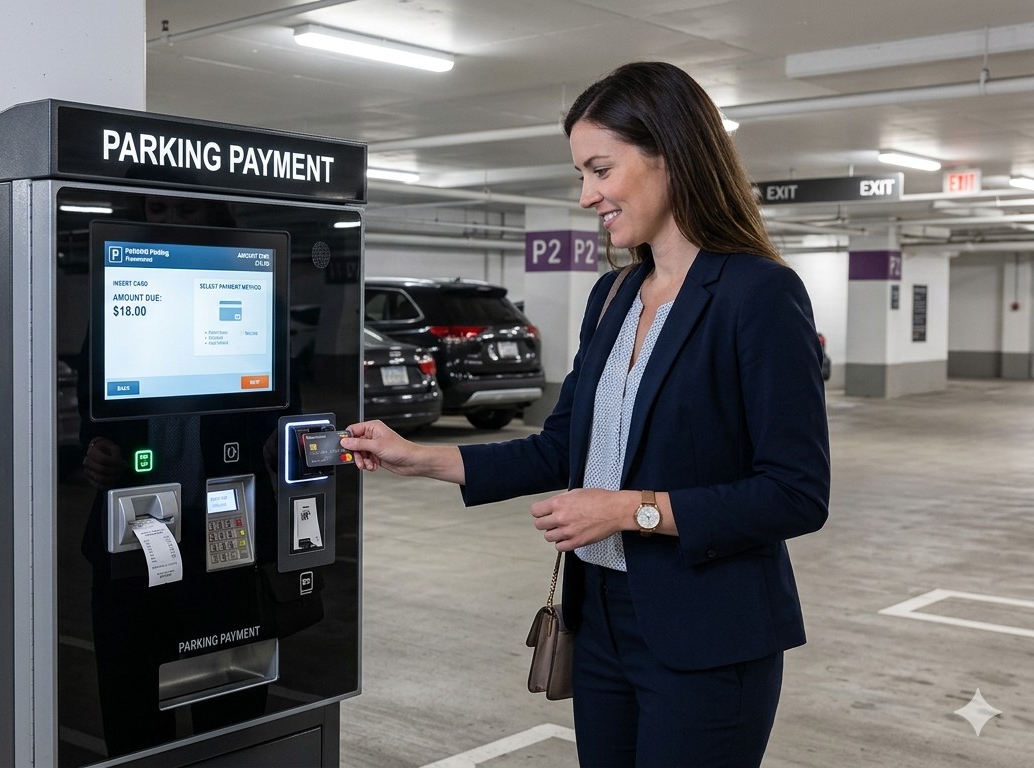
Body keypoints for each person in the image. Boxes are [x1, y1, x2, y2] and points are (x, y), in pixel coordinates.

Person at [341, 61, 830, 768]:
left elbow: (795, 493)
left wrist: (631, 511)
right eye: (581, 174)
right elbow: (562, 445)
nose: (585, 195)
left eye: (601, 170)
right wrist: (420, 458)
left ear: (672, 154)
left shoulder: (758, 294)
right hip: (599, 618)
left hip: (708, 637)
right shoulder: (612, 297)